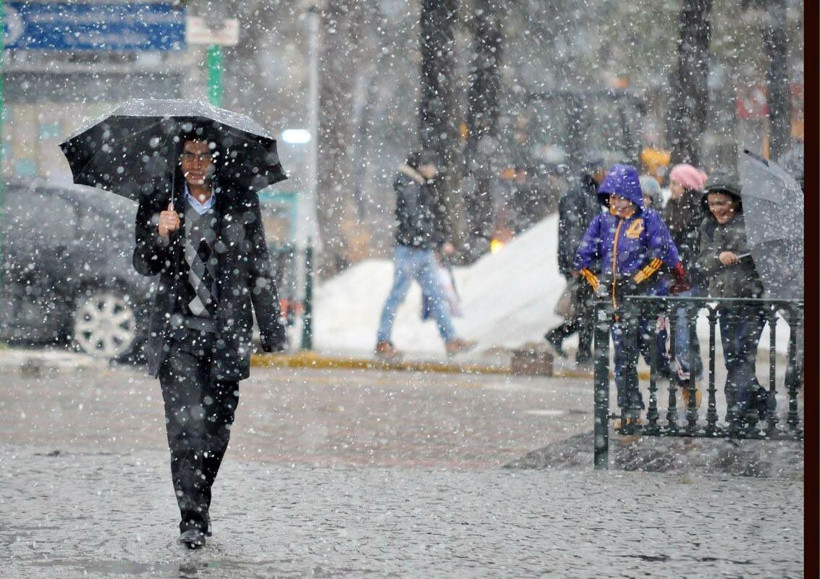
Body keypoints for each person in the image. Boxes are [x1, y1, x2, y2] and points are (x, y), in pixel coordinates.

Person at [133, 127, 287, 549]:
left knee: (217, 431)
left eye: (203, 156)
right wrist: (161, 234)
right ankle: (192, 518)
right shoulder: (158, 199)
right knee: (186, 428)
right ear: (177, 160)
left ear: (216, 160)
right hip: (178, 334)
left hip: (227, 334)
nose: (195, 164)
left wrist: (272, 330)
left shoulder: (240, 202)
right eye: (188, 156)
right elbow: (144, 264)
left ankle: (201, 497)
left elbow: (258, 268)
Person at [574, 164, 687, 426]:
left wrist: (636, 281)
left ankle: (685, 381)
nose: (615, 202)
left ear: (632, 196)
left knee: (657, 356)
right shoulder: (602, 222)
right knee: (623, 360)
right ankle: (630, 411)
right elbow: (582, 258)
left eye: (620, 196)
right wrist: (597, 282)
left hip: (647, 302)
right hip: (618, 306)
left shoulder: (649, 219)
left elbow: (662, 256)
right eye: (611, 197)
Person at [375, 151, 476, 359]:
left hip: (420, 249)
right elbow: (418, 219)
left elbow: (421, 219)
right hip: (412, 250)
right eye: (432, 165)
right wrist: (438, 241)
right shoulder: (410, 186)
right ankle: (383, 341)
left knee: (435, 296)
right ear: (421, 166)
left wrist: (434, 241)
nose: (435, 170)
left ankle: (450, 339)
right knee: (400, 296)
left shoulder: (414, 184)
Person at [695, 171, 766, 430]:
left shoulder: (752, 224)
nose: (717, 209)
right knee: (733, 358)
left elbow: (765, 262)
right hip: (725, 303)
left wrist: (743, 257)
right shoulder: (708, 227)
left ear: (734, 202)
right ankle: (759, 402)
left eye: (722, 203)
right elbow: (702, 263)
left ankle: (736, 414)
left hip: (752, 302)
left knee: (742, 356)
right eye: (713, 204)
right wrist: (718, 258)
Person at [544, 154, 606, 365]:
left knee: (586, 307)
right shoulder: (578, 195)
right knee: (587, 308)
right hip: (581, 263)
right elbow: (572, 232)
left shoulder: (590, 194)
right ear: (594, 172)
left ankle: (561, 338)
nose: (604, 175)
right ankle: (581, 352)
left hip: (587, 261)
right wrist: (577, 262)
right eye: (602, 171)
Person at [663, 164, 709, 407]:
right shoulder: (669, 209)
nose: (671, 188)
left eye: (675, 183)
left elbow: (696, 252)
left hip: (691, 282)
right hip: (673, 282)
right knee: (683, 330)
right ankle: (693, 374)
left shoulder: (698, 214)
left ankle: (688, 381)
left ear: (687, 186)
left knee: (681, 324)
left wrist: (683, 267)